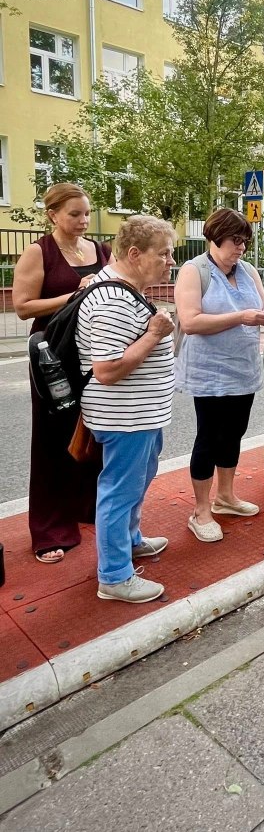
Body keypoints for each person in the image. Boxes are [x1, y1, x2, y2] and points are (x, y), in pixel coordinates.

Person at [75, 215, 176, 603]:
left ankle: (130, 540)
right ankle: (115, 576)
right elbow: (107, 369)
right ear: (134, 254)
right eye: (163, 254)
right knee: (119, 490)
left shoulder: (122, 290)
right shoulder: (113, 300)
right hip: (125, 416)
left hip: (139, 414)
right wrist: (154, 334)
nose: (170, 261)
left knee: (136, 480)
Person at [12, 183, 112, 563]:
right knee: (52, 438)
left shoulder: (100, 251)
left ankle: (87, 506)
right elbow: (23, 307)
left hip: (93, 351)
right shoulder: (38, 252)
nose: (84, 220)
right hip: (52, 354)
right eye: (75, 214)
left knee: (94, 430)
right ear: (53, 214)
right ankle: (50, 528)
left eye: (86, 213)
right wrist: (73, 295)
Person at [175, 209, 264, 543]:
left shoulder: (248, 270)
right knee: (209, 436)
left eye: (245, 241)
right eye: (235, 240)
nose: (241, 247)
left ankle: (226, 497)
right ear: (215, 237)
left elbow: (263, 309)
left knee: (233, 433)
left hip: (243, 367)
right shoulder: (194, 270)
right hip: (209, 371)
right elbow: (190, 321)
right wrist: (240, 317)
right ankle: (201, 510)